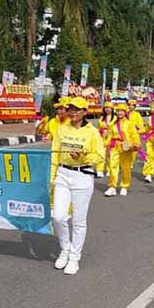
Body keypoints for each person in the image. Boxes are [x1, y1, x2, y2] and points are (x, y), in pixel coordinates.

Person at [51, 97, 104, 275]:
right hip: (62, 175)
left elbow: (99, 155)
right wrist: (51, 179)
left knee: (78, 221)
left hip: (82, 176)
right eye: (70, 109)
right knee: (58, 217)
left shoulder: (92, 132)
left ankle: (75, 257)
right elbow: (54, 154)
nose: (72, 112)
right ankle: (65, 248)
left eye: (77, 109)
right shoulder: (61, 129)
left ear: (84, 112)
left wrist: (83, 156)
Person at [103, 103, 140, 197]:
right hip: (115, 146)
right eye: (118, 111)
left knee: (125, 167)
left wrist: (136, 143)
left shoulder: (130, 124)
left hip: (126, 146)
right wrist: (105, 144)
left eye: (122, 111)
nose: (120, 113)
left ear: (125, 112)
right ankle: (112, 187)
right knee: (112, 166)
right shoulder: (113, 124)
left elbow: (134, 135)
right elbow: (110, 136)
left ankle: (124, 186)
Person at [127, 99, 144, 167]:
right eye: (129, 105)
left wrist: (138, 131)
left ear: (134, 107)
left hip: (134, 133)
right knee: (125, 147)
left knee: (134, 148)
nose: (131, 107)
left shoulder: (137, 114)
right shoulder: (125, 113)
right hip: (126, 133)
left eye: (132, 105)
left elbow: (140, 125)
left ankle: (131, 162)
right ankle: (125, 161)